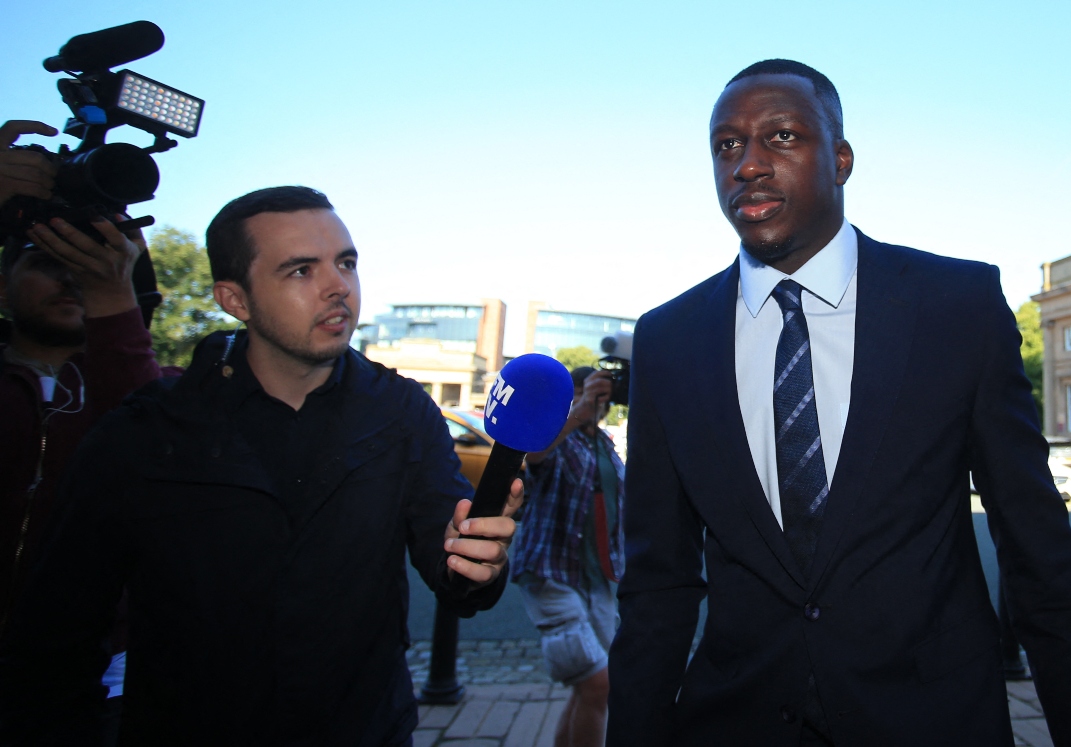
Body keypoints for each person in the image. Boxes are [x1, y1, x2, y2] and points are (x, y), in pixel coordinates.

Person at [606, 60, 1071, 746]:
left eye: (781, 137)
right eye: (727, 145)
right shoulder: (669, 340)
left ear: (841, 159)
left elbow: (1039, 556)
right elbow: (657, 587)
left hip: (933, 723)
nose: (749, 165)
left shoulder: (956, 309)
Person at [0, 186, 521, 746]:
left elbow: (456, 577)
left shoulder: (402, 410)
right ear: (235, 299)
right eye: (300, 270)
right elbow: (58, 637)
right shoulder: (149, 428)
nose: (337, 286)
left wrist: (474, 558)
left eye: (345, 263)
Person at [0, 119, 180, 732]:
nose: (69, 276)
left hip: (94, 676)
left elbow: (154, 460)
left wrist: (116, 305)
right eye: (46, 259)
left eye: (87, 257)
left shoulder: (147, 384)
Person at [511, 366, 623, 747]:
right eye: (579, 393)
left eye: (597, 394)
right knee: (599, 685)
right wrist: (578, 413)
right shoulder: (558, 438)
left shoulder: (605, 444)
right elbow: (535, 453)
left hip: (597, 578)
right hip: (552, 572)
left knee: (588, 689)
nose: (592, 402)